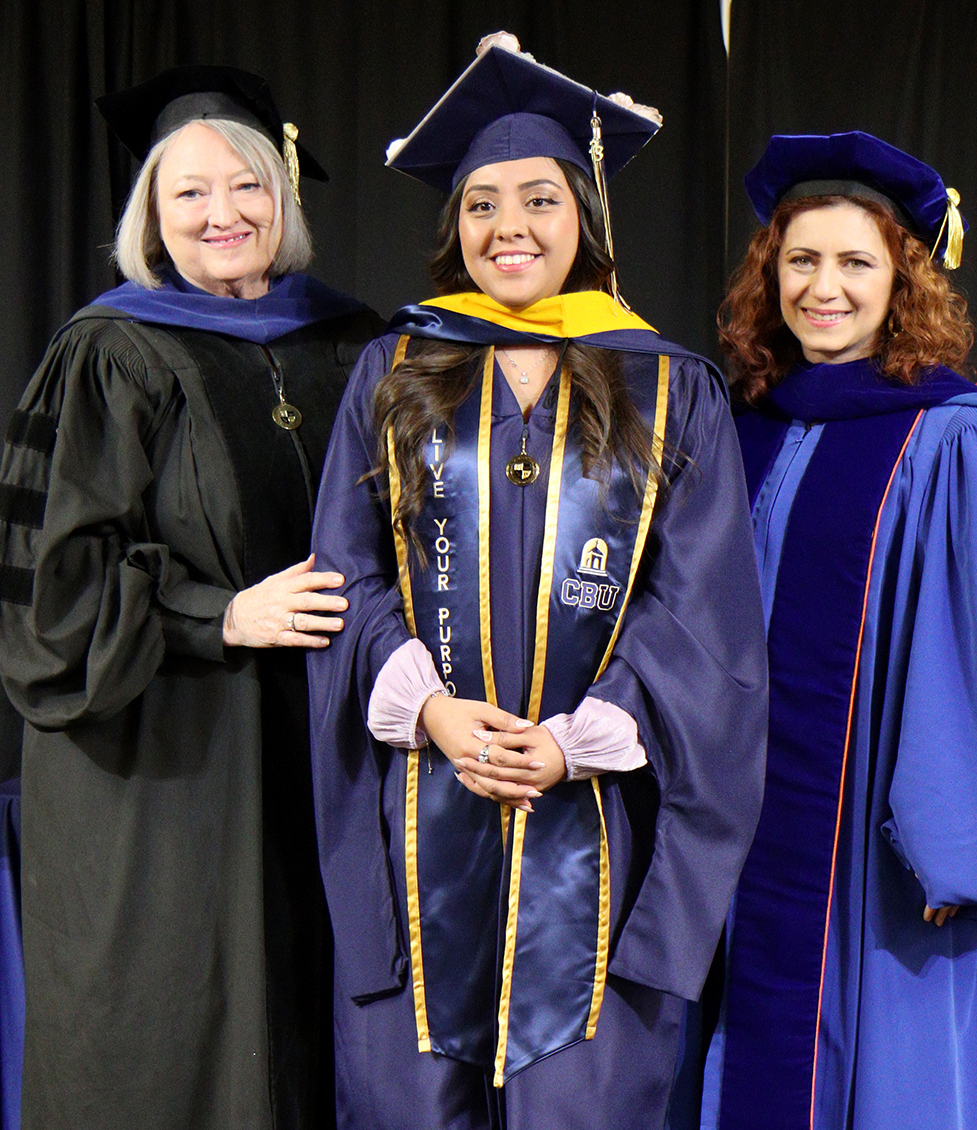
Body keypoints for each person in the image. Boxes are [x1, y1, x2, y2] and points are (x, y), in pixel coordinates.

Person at [305, 34, 768, 1130]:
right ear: (452, 226)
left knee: (588, 1101)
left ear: (585, 218)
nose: (507, 227)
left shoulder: (666, 384)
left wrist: (578, 736)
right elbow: (345, 573)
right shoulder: (395, 370)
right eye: (480, 204)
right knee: (406, 1095)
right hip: (422, 805)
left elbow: (700, 608)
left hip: (599, 819)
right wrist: (425, 704)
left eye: (539, 198)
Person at [702, 133, 977, 1130]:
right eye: (800, 261)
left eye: (856, 261)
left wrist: (966, 848)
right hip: (741, 839)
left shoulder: (956, 434)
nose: (823, 288)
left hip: (893, 857)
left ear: (903, 279)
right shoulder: (741, 425)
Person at [0, 65, 381, 1130]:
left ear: (284, 197)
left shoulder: (354, 342)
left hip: (329, 759)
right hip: (166, 769)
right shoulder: (110, 351)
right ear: (151, 218)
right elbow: (47, 603)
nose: (222, 214)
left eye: (245, 186)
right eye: (188, 193)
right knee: (173, 1043)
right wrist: (219, 614)